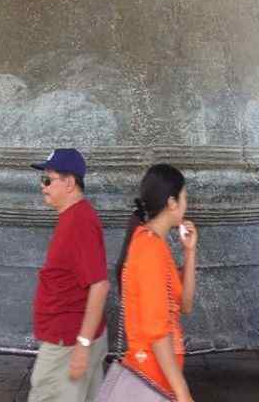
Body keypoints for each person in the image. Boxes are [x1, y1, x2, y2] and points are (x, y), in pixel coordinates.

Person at [28, 149, 109, 402]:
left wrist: (82, 345)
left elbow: (99, 285)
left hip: (67, 344)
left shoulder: (78, 222)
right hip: (73, 339)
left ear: (70, 183)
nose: (43, 187)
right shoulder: (75, 217)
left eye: (48, 179)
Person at [115, 164, 197, 402]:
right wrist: (182, 392)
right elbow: (156, 331)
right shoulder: (149, 249)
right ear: (172, 203)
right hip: (151, 374)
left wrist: (190, 252)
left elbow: (186, 305)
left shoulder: (155, 244)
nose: (186, 204)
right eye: (184, 198)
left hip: (160, 371)